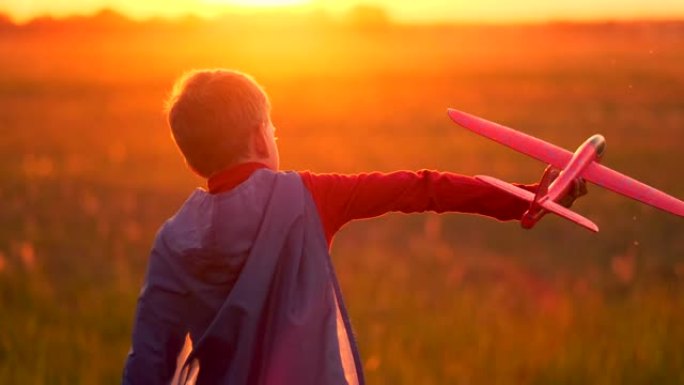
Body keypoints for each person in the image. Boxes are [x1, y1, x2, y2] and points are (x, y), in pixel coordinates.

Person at [122, 69, 586, 385]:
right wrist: (526, 198)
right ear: (261, 137)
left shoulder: (173, 241)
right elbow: (421, 188)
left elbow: (148, 362)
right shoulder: (307, 197)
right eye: (273, 129)